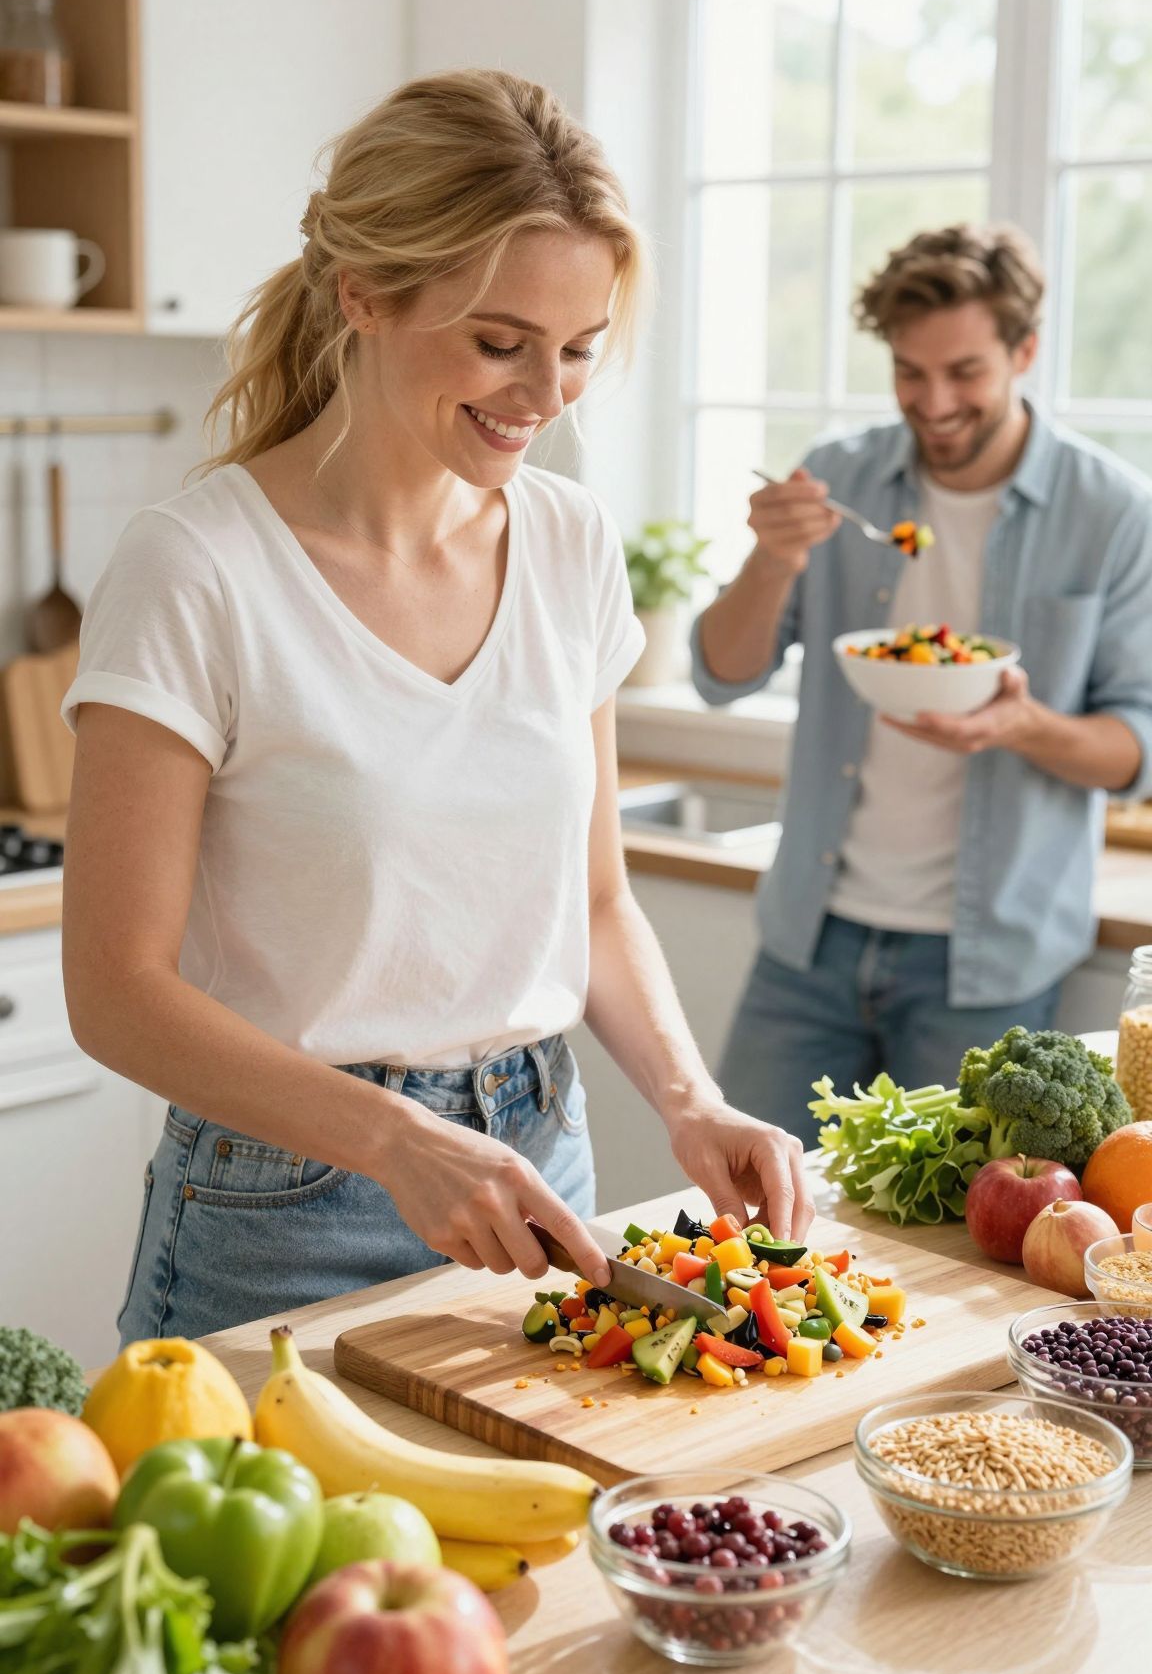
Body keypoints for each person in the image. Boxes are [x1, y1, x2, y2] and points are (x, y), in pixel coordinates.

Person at [62, 69, 811, 1345]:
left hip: (542, 1160)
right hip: (284, 1205)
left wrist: (692, 1101)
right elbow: (115, 986)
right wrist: (397, 1138)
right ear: (363, 292)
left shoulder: (569, 542)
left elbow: (593, 897)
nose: (547, 392)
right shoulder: (198, 566)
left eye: (578, 349)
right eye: (499, 340)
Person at [691, 223, 1152, 1147]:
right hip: (809, 941)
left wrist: (1021, 726)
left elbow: (1136, 750)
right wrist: (773, 559)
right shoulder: (843, 476)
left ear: (1024, 351)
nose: (934, 403)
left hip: (987, 969)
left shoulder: (1110, 511)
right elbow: (720, 674)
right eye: (910, 372)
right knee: (738, 1212)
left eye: (966, 373)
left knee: (940, 1248)